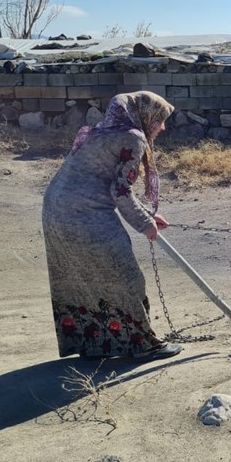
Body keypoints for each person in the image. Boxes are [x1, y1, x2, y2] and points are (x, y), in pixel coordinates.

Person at [42, 91, 183, 362]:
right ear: (146, 115)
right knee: (125, 277)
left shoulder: (102, 131)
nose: (162, 126)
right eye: (160, 120)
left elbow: (110, 185)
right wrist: (145, 224)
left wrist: (148, 216)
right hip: (84, 216)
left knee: (83, 280)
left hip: (55, 212)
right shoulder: (132, 137)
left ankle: (95, 345)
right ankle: (143, 345)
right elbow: (120, 191)